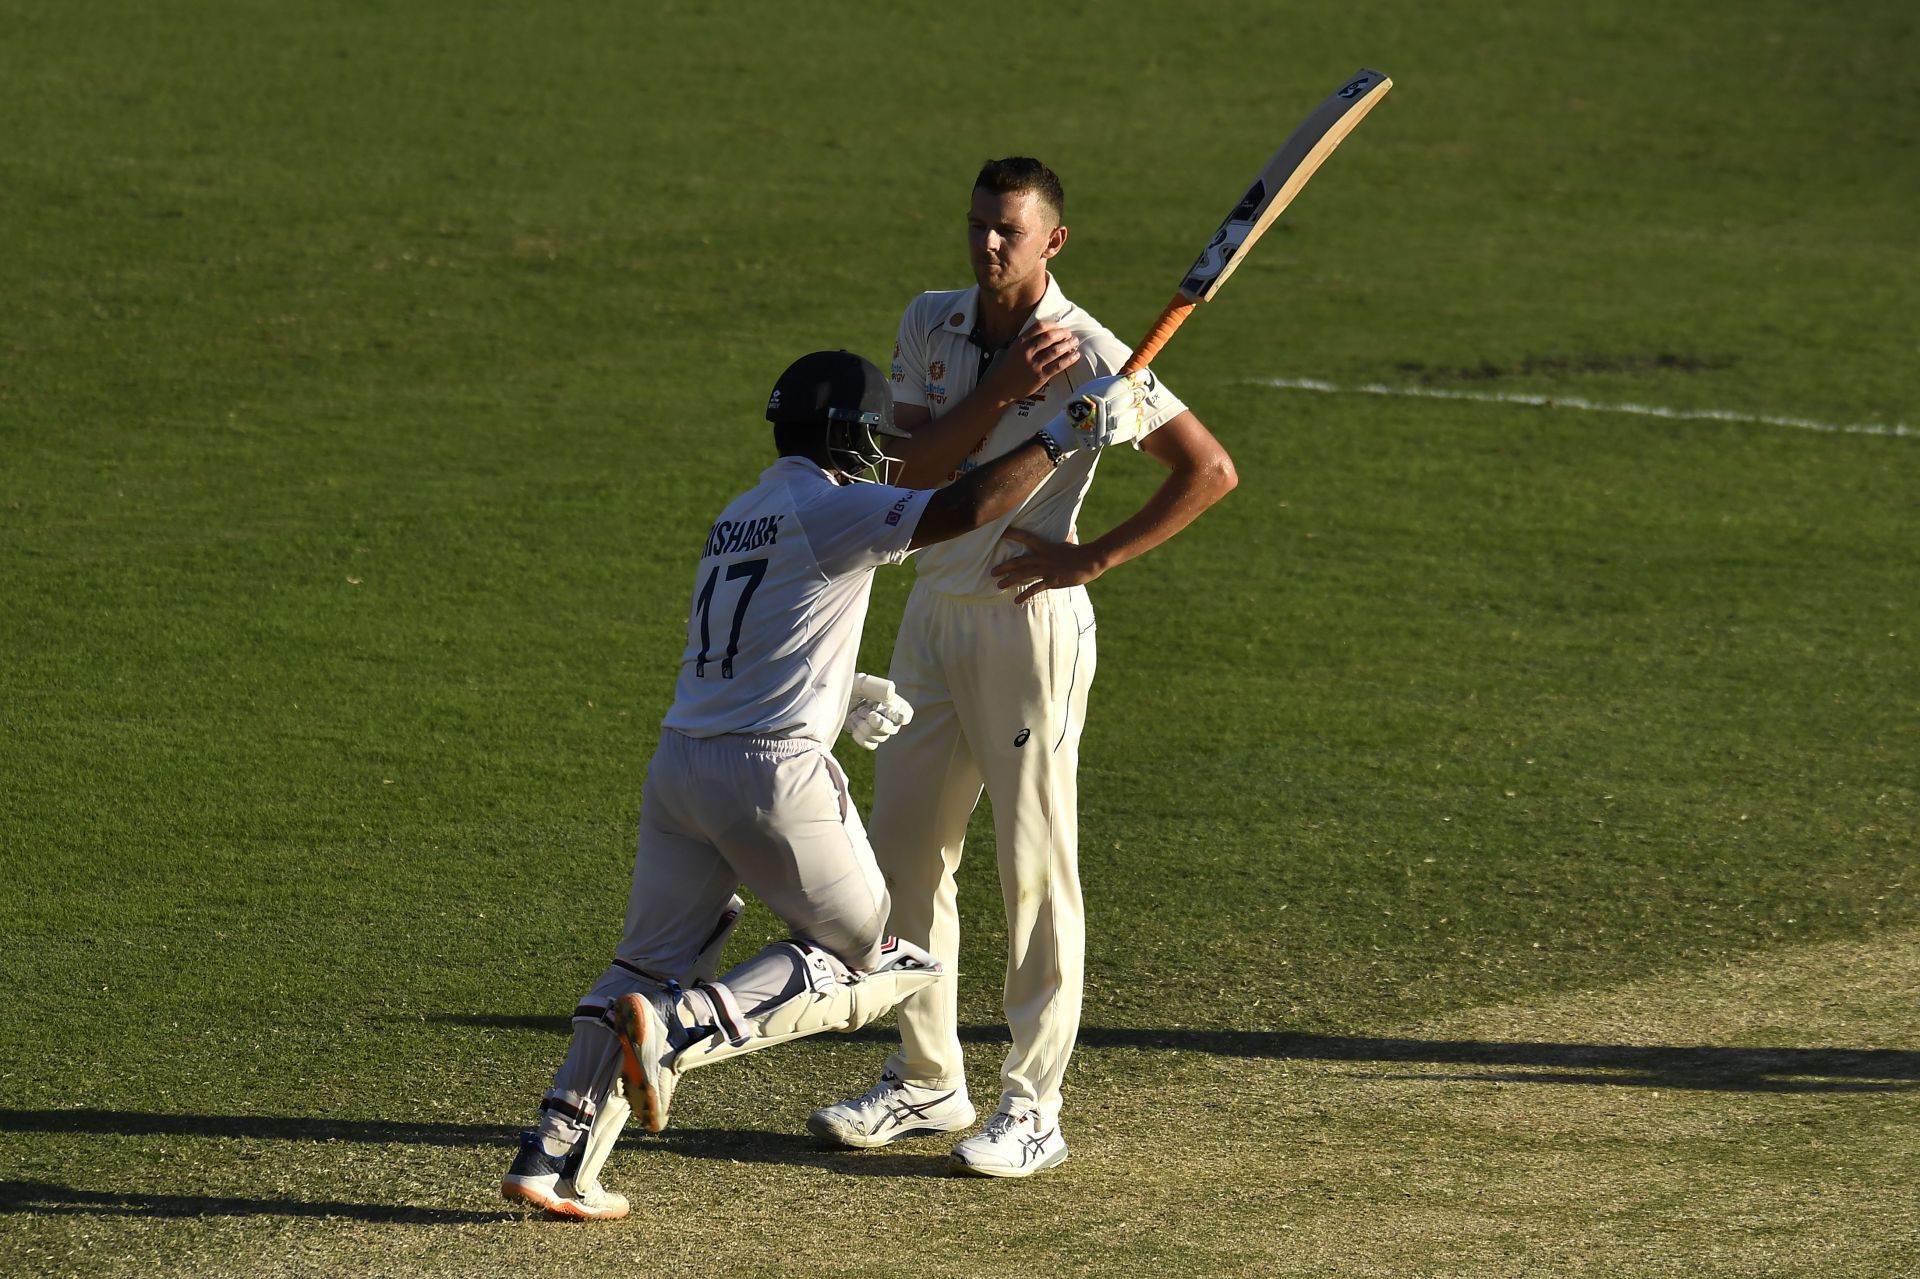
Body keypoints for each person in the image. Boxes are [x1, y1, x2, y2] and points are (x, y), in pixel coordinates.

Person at [499, 348, 1153, 1219]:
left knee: (642, 963)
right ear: (849, 436)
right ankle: (686, 1028)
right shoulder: (834, 504)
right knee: (882, 956)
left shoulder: (740, 513)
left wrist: (843, 689)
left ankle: (549, 1154)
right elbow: (961, 508)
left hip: (681, 765)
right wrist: (1065, 434)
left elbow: (758, 633)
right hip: (770, 774)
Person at [809, 158, 1237, 1178]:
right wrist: (1010, 395)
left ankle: (1035, 1104)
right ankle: (927, 1079)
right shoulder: (931, 319)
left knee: (1034, 867)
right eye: (976, 226)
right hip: (930, 618)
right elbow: (908, 472)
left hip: (1030, 627)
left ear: (1054, 241)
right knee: (906, 856)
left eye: (1008, 230)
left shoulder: (1097, 353)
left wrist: (1090, 555)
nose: (987, 246)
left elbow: (1209, 469)